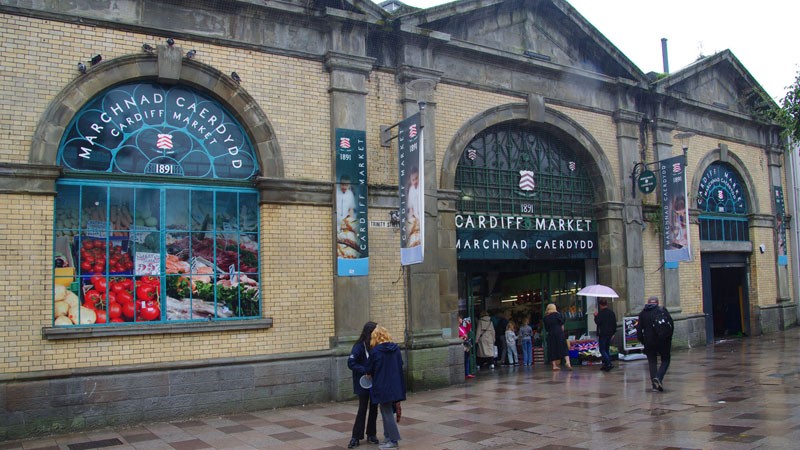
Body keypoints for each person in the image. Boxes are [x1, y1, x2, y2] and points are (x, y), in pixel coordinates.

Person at [366, 326, 406, 449]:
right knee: (385, 411)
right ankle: (388, 437)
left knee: (387, 412)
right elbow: (400, 364)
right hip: (395, 385)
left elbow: (369, 369)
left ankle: (394, 440)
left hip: (382, 386)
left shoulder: (375, 352)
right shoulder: (396, 349)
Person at [346, 322, 380, 449]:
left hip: (374, 382)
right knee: (362, 409)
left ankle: (371, 434)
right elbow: (351, 363)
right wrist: (364, 370)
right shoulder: (358, 346)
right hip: (363, 383)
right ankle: (356, 436)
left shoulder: (376, 345)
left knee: (374, 408)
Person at [636, 296, 674, 392]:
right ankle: (659, 377)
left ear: (648, 303)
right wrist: (668, 338)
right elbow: (670, 325)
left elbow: (639, 330)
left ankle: (654, 386)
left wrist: (643, 341)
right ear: (657, 302)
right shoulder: (662, 310)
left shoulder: (643, 313)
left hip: (649, 342)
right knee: (666, 359)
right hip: (662, 341)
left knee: (652, 362)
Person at [543, 303, 571, 371]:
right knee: (564, 347)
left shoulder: (545, 318)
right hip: (559, 333)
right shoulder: (558, 315)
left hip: (551, 334)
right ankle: (567, 362)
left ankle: (554, 366)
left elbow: (547, 328)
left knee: (552, 349)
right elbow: (562, 325)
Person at [593, 298, 617, 372]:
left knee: (602, 349)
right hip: (610, 333)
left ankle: (608, 363)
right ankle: (605, 364)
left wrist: (595, 316)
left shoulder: (601, 314)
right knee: (606, 349)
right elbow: (614, 324)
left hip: (603, 334)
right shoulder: (611, 313)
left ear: (600, 305)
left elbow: (598, 322)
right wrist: (613, 333)